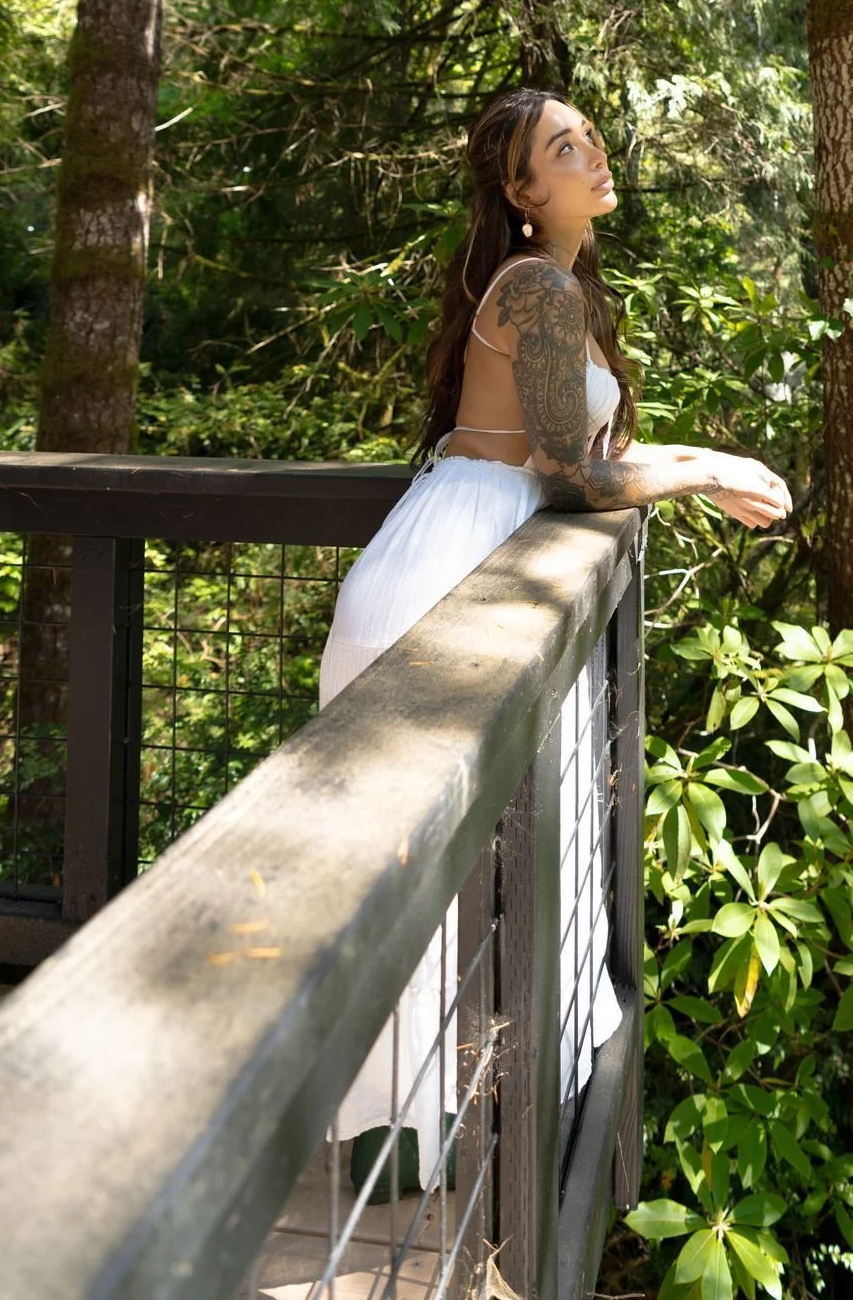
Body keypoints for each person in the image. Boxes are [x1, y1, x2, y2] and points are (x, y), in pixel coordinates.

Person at [318, 85, 793, 1201]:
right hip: (449, 577)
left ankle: (423, 1137)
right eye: (564, 147)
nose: (595, 154)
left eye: (590, 136)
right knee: (415, 865)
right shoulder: (534, 284)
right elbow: (572, 475)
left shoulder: (560, 286)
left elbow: (571, 449)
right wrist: (709, 469)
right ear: (523, 192)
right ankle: (393, 1149)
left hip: (489, 552)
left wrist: (687, 462)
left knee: (458, 860)